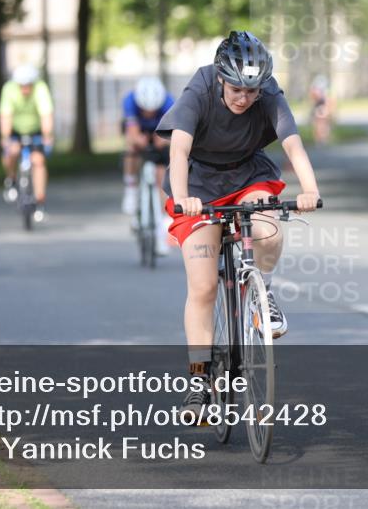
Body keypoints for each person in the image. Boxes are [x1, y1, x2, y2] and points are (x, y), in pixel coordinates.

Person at [154, 30, 321, 417]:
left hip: (248, 175)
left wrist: (310, 190)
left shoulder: (269, 93)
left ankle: (263, 293)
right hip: (199, 185)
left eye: (252, 91)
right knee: (204, 284)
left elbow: (292, 143)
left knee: (268, 228)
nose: (245, 98)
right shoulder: (199, 88)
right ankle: (198, 380)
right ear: (220, 78)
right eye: (237, 90)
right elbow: (178, 148)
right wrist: (182, 199)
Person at [121, 76, 175, 254]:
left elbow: (173, 134)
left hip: (161, 130)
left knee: (162, 174)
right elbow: (131, 132)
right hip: (139, 131)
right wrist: (138, 140)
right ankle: (131, 186)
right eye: (145, 110)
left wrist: (163, 140)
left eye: (153, 111)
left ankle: (162, 225)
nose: (149, 114)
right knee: (131, 148)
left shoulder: (169, 102)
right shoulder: (130, 101)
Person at [0, 65, 54, 222]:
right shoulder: (9, 89)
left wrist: (47, 135)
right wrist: (5, 137)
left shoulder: (40, 89)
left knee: (38, 160)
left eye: (28, 86)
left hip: (35, 131)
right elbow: (5, 116)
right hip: (15, 131)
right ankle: (11, 179)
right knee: (12, 152)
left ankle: (40, 200)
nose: (25, 90)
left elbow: (46, 114)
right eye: (21, 86)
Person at [309, 75, 335, 145]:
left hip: (323, 108)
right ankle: (319, 139)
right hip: (319, 108)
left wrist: (328, 111)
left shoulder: (326, 93)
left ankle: (324, 139)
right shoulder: (316, 91)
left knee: (324, 124)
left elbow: (330, 101)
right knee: (319, 124)